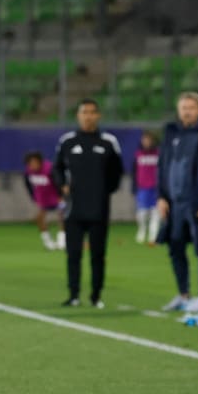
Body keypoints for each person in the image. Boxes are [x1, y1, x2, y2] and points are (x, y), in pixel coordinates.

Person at [52, 98, 123, 308]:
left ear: (98, 115)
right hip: (74, 208)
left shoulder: (108, 142)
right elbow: (56, 169)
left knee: (98, 254)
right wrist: (62, 186)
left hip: (99, 208)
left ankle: (96, 296)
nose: (88, 116)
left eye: (92, 112)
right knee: (73, 254)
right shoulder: (68, 141)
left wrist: (102, 191)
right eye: (84, 112)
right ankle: (73, 295)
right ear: (78, 115)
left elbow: (117, 173)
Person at [157, 92, 198, 314]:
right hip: (174, 203)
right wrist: (161, 197)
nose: (187, 111)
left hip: (197, 203)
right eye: (183, 107)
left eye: (191, 108)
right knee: (175, 248)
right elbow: (162, 167)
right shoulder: (171, 134)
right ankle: (183, 295)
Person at [23, 150, 65, 251]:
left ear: (40, 161)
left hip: (56, 198)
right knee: (39, 218)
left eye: (35, 162)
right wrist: (34, 197)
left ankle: (62, 241)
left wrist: (61, 196)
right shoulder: (28, 171)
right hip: (43, 199)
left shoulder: (50, 168)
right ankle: (48, 242)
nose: (33, 165)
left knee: (62, 217)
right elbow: (28, 185)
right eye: (30, 163)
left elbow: (58, 182)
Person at [132, 130, 160, 244]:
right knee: (142, 214)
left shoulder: (159, 154)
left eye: (149, 140)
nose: (147, 142)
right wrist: (134, 186)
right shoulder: (138, 154)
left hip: (156, 189)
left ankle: (154, 236)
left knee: (156, 213)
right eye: (145, 140)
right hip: (142, 189)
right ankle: (142, 230)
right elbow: (134, 171)